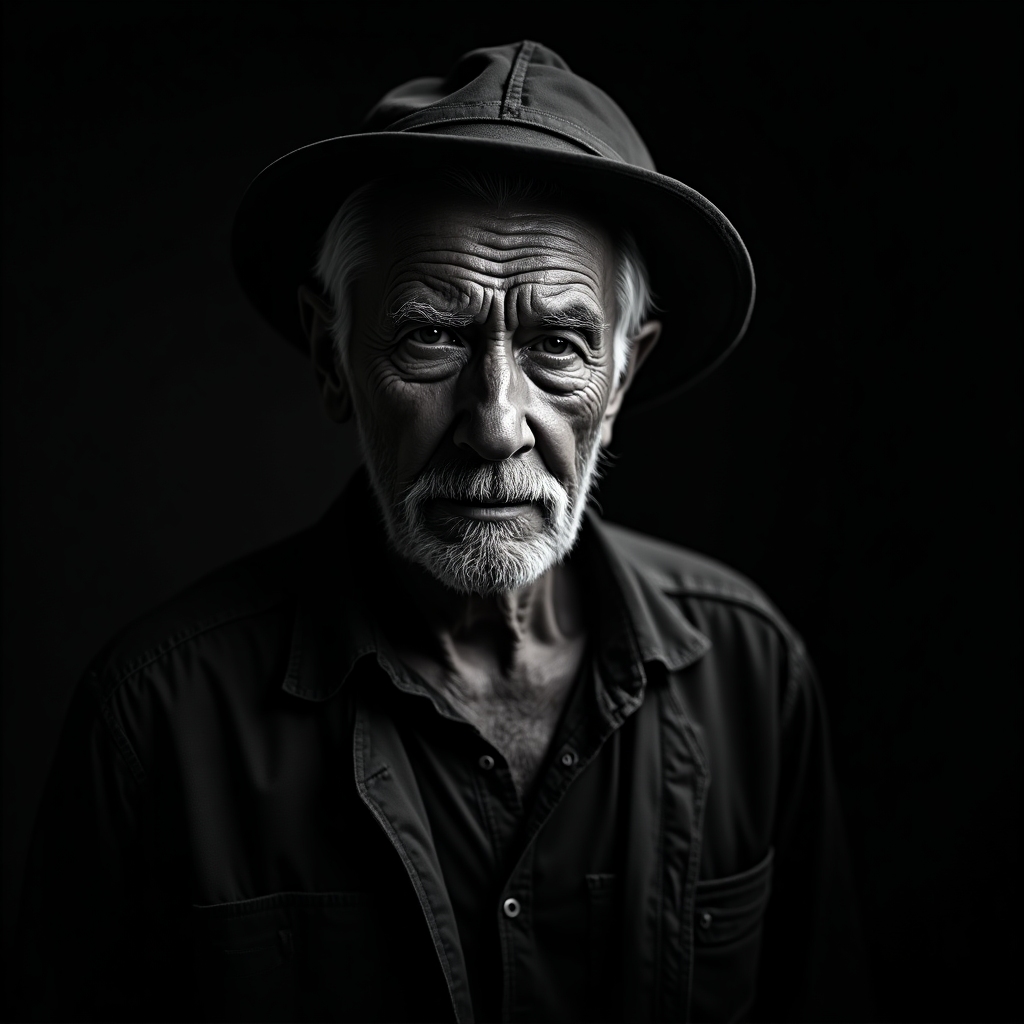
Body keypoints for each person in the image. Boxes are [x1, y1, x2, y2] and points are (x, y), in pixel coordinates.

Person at [15, 41, 870, 1023]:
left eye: (557, 345)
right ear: (332, 355)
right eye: (431, 335)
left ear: (623, 375)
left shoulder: (751, 673)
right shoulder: (154, 718)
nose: (496, 422)